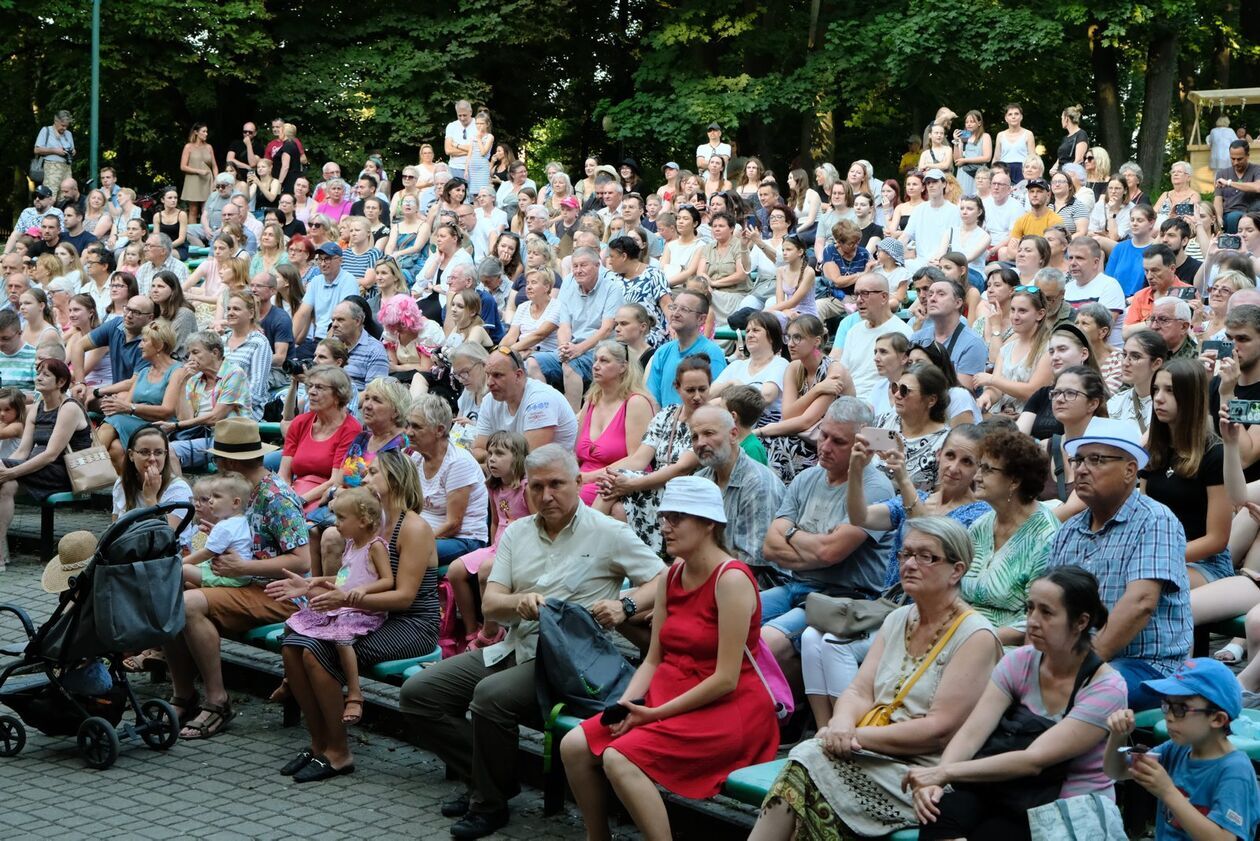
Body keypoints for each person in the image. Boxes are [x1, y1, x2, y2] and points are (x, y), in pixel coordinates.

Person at [398, 444, 665, 839]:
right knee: (419, 694)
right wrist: (517, 603)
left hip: (568, 661)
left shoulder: (609, 532)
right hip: (515, 645)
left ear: (578, 483)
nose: (546, 495)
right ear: (525, 491)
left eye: (556, 484)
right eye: (537, 487)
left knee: (490, 696)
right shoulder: (518, 532)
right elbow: (491, 602)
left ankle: (489, 803)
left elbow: (663, 580)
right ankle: (491, 780)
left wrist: (626, 604)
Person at [748, 516, 1001, 841]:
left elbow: (939, 729)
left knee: (807, 759)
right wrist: (840, 721)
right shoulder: (898, 618)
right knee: (809, 759)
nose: (909, 564)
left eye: (926, 556)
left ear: (957, 570)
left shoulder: (975, 636)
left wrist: (855, 737)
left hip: (921, 772)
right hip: (869, 751)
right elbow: (860, 689)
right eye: (905, 554)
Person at [563, 476, 780, 841]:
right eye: (665, 516)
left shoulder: (731, 580)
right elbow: (652, 658)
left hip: (726, 709)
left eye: (678, 517)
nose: (665, 526)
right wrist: (626, 704)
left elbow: (726, 678)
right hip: (670, 696)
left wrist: (652, 714)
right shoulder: (671, 575)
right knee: (573, 745)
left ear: (709, 523)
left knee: (620, 757)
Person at [908, 566, 1126, 841]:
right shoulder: (1019, 661)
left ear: (1081, 622)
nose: (1032, 621)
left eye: (1046, 612)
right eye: (1030, 608)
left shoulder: (1106, 688)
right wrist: (937, 782)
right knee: (939, 812)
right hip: (1010, 788)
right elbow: (972, 734)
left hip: (1064, 806)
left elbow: (1033, 760)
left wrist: (943, 772)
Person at [270, 449, 440, 779]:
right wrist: (311, 587)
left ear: (395, 479)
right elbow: (353, 579)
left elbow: (404, 598)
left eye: (373, 472)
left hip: (412, 624)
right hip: (371, 615)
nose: (365, 478)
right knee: (292, 644)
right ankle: (319, 743)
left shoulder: (413, 527)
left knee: (317, 652)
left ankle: (339, 751)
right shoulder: (373, 526)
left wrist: (345, 600)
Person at [1047, 416, 1192, 708]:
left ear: (1129, 470)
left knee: (1074, 693)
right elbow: (1050, 604)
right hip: (1079, 656)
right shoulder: (1069, 530)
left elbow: (1141, 603)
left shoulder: (1155, 520)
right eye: (1079, 460)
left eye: (1097, 460)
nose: (1082, 469)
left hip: (1148, 666)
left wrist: (1080, 666)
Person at [759, 398, 896, 664]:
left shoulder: (875, 488)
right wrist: (815, 548)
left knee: (767, 640)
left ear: (862, 445)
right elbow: (769, 547)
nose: (825, 447)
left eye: (839, 442)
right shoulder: (806, 478)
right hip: (795, 585)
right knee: (724, 615)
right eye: (823, 435)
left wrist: (791, 534)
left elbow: (831, 552)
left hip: (841, 597)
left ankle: (782, 702)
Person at [1105, 658, 1260, 841]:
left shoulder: (1235, 770)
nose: (1169, 717)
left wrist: (1168, 792)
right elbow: (1116, 771)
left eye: (1180, 709)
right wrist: (1117, 736)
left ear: (1218, 719)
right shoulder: (1175, 750)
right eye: (1166, 705)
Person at [594, 355, 709, 552]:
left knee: (616, 496)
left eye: (702, 389)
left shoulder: (709, 421)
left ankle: (582, 541)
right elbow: (640, 459)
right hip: (657, 486)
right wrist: (607, 474)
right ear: (677, 388)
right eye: (690, 390)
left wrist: (630, 484)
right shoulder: (666, 415)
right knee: (616, 502)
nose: (697, 396)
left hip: (686, 491)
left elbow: (681, 468)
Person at [1141, 359, 1233, 586]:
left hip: (1204, 563)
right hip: (1156, 558)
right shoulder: (1153, 450)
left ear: (1191, 398)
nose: (1158, 398)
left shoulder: (1214, 454)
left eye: (1170, 391)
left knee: (1145, 583)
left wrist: (1158, 558)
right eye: (1155, 389)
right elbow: (1142, 516)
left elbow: (1217, 540)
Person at [0, 359, 91, 567]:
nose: (38, 377)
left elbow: (51, 454)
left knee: (8, 478)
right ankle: (1, 551)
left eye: (45, 375)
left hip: (62, 471)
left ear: (60, 382)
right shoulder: (37, 406)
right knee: (6, 485)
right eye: (38, 372)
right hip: (36, 467)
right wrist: (7, 469)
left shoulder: (69, 408)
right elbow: (23, 451)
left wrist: (10, 471)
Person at [448, 431, 529, 650]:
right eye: (490, 452)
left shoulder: (526, 488)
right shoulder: (494, 487)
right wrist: (493, 545)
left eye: (500, 453)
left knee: (486, 570)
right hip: (498, 546)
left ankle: (491, 631)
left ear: (518, 457)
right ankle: (471, 629)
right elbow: (495, 521)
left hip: (521, 549)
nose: (492, 458)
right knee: (455, 570)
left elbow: (537, 522)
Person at [690, 404, 785, 577]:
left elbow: (754, 562)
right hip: (709, 575)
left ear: (733, 435)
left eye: (709, 433)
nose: (700, 443)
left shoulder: (758, 484)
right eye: (695, 437)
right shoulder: (700, 480)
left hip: (755, 585)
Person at [756, 315, 853, 483]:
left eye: (798, 337)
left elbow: (806, 421)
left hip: (832, 441)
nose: (791, 344)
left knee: (774, 442)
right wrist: (816, 390)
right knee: (765, 445)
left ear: (816, 341)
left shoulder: (834, 371)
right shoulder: (794, 368)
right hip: (805, 436)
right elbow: (788, 414)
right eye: (788, 337)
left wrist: (762, 430)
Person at [95, 320, 189, 472]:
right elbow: (126, 402)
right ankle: (131, 488)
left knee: (112, 422)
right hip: (135, 421)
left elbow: (167, 411)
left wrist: (130, 408)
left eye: (144, 341)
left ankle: (85, 468)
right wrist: (114, 405)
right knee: (115, 447)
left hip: (160, 425)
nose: (139, 346)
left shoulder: (176, 371)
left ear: (159, 345)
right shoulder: (144, 372)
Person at [407, 394, 490, 567]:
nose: (409, 432)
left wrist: (414, 538)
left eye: (416, 426)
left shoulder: (457, 463)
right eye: (408, 425)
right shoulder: (416, 457)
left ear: (439, 430)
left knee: (410, 551)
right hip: (426, 533)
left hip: (464, 539)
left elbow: (453, 524)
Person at [279, 365, 360, 513]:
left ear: (338, 395)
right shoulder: (300, 422)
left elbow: (336, 480)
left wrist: (299, 501)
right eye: (310, 386)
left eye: (319, 387)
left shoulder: (351, 429)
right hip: (294, 492)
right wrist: (284, 497)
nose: (311, 392)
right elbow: (284, 474)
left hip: (326, 496)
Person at [164, 331, 251, 470]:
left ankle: (181, 491)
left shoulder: (234, 373)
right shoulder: (194, 380)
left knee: (167, 451)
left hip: (229, 437)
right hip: (201, 436)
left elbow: (215, 417)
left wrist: (175, 426)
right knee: (153, 448)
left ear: (215, 352)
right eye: (189, 354)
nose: (190, 359)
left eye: (195, 352)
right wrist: (182, 383)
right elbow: (185, 418)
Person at [974, 284, 1054, 414]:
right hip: (1000, 418)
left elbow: (1033, 392)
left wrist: (992, 380)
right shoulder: (1006, 348)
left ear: (1040, 314)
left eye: (1022, 311)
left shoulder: (1049, 349)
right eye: (1012, 310)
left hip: (1030, 422)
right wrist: (987, 396)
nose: (1015, 316)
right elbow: (997, 390)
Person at [645, 289, 727, 407]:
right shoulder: (662, 352)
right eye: (674, 307)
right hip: (663, 422)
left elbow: (713, 397)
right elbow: (653, 398)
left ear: (701, 319)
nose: (675, 313)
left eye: (684, 309)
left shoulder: (711, 352)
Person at [180, 472, 256, 589]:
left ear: (235, 502)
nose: (211, 501)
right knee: (190, 583)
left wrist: (179, 563)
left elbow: (206, 553)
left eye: (216, 496)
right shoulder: (242, 520)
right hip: (242, 577)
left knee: (184, 570)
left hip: (231, 576)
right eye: (210, 497)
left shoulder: (225, 526)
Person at [910, 276, 987, 390]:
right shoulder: (917, 338)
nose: (932, 299)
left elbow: (962, 392)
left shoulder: (973, 343)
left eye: (941, 294)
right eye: (930, 294)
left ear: (958, 303)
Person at [1214, 139, 1260, 233]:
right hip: (1228, 214)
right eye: (1232, 158)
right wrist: (1218, 218)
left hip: (1251, 213)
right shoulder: (1221, 173)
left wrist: (1229, 183)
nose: (1235, 162)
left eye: (1239, 159)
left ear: (1247, 156)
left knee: (1235, 217)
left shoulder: (1256, 169)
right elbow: (1218, 200)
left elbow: (1257, 187)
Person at [33, 111, 75, 201]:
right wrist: (55, 151)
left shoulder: (69, 134)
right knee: (50, 196)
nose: (64, 128)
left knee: (66, 197)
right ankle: (47, 214)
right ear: (56, 121)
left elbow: (73, 150)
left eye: (66, 126)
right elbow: (37, 149)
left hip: (66, 167)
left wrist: (72, 152)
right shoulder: (46, 130)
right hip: (51, 166)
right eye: (62, 125)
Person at [179, 123, 217, 223]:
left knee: (207, 209)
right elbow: (183, 166)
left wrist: (216, 181)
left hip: (207, 180)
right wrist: (198, 171)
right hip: (193, 180)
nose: (206, 134)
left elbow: (214, 166)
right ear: (196, 132)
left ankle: (207, 234)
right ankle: (192, 234)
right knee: (193, 210)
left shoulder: (209, 147)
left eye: (207, 131)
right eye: (203, 131)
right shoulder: (188, 147)